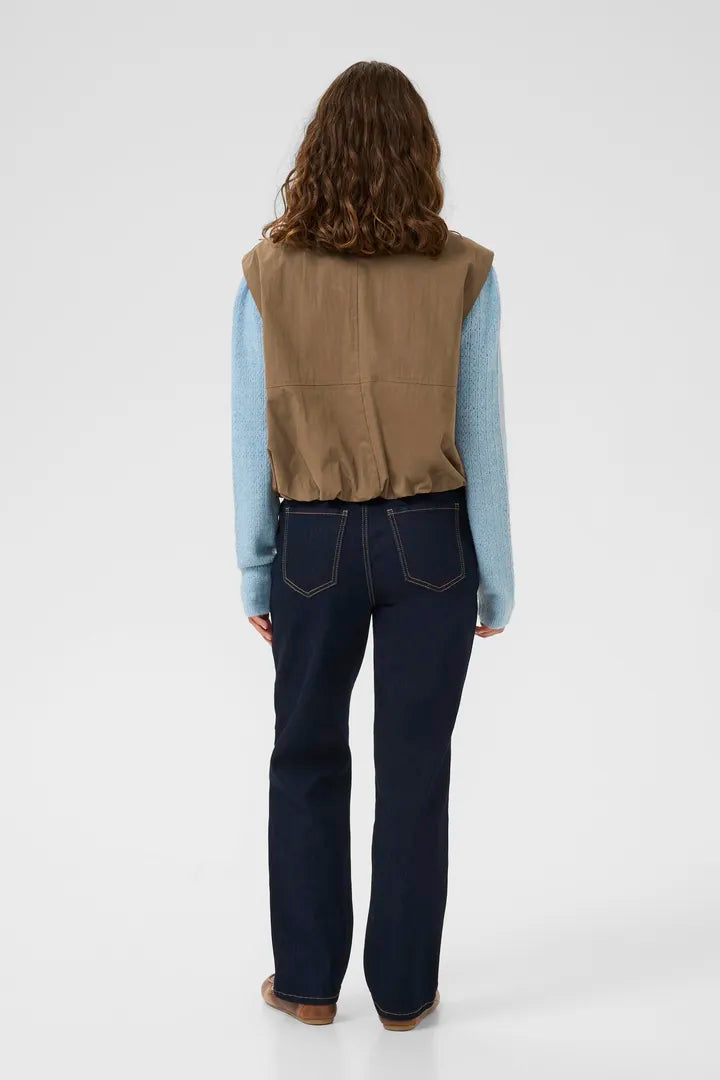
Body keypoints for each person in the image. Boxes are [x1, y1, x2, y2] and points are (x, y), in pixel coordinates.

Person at [231, 60, 514, 1032]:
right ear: (419, 153)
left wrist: (256, 567)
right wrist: (497, 578)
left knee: (305, 755)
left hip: (311, 540)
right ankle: (402, 994)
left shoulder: (266, 274)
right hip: (431, 541)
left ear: (317, 153)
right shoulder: (464, 271)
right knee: (416, 767)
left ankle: (308, 986)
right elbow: (481, 434)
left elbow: (252, 432)